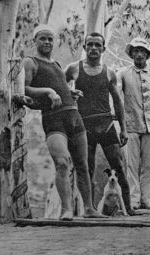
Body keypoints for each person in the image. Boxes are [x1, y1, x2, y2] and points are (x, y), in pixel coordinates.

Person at [22, 25, 105, 220]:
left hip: (73, 117)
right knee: (62, 162)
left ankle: (89, 209)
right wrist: (48, 92)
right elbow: (24, 89)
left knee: (83, 165)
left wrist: (70, 92)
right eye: (43, 39)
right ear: (35, 41)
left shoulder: (57, 64)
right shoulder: (30, 62)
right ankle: (67, 210)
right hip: (53, 118)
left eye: (50, 39)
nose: (47, 42)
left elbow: (60, 87)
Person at [64, 32, 135, 215]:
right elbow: (60, 88)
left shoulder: (109, 73)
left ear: (103, 48)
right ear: (84, 47)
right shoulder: (73, 69)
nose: (94, 48)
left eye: (97, 45)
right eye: (90, 45)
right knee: (86, 168)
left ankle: (128, 208)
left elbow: (118, 101)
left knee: (118, 166)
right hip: (83, 125)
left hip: (106, 124)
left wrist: (123, 129)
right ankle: (89, 208)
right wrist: (69, 98)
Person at [118, 38, 150, 209]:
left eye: (142, 51)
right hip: (131, 124)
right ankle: (133, 199)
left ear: (147, 54)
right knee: (132, 165)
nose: (139, 54)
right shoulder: (123, 73)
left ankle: (146, 198)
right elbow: (117, 98)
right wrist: (119, 124)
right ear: (131, 54)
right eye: (136, 51)